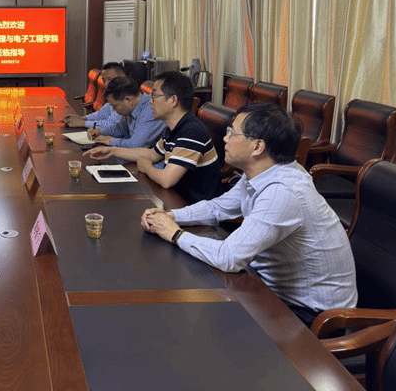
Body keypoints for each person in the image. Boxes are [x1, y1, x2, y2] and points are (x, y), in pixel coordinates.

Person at [141, 103, 358, 326]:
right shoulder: (262, 172)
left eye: (232, 133)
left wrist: (175, 234)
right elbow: (218, 207)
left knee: (198, 321)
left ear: (257, 146)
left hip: (310, 314)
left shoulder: (283, 192)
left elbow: (229, 257)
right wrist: (171, 216)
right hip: (266, 287)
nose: (225, 139)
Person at [84, 70, 221, 203]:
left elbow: (167, 180)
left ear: (173, 100)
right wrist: (112, 151)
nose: (150, 101)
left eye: (155, 95)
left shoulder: (191, 131)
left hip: (193, 206)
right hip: (175, 198)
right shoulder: (173, 128)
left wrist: (147, 167)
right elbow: (152, 154)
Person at [86, 76, 165, 148]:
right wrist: (101, 132)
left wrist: (111, 141)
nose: (114, 110)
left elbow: (136, 144)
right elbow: (121, 128)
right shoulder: (131, 108)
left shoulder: (150, 110)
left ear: (128, 100)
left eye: (114, 106)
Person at [63, 62, 126, 133]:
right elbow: (102, 114)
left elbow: (112, 125)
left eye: (109, 79)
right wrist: (82, 118)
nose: (106, 84)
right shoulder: (114, 95)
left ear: (123, 78)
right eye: (104, 80)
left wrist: (83, 123)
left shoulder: (126, 98)